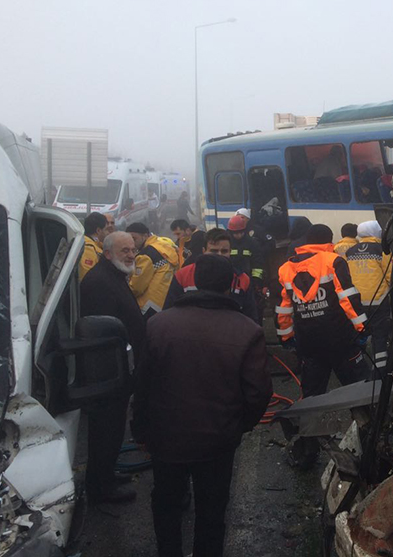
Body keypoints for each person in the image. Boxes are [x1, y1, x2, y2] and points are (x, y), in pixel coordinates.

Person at [132, 254, 272, 557]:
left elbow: (142, 385)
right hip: (217, 442)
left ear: (193, 281)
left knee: (166, 505)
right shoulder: (247, 330)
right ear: (230, 285)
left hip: (166, 439)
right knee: (211, 512)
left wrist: (141, 430)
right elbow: (258, 393)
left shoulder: (158, 325)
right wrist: (238, 426)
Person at [80, 231, 145, 504]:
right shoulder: (99, 283)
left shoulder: (114, 275)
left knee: (115, 427)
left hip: (119, 369)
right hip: (108, 372)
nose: (131, 255)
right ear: (107, 254)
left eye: (132, 250)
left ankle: (106, 473)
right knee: (105, 429)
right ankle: (100, 486)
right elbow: (103, 333)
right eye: (124, 251)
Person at [276, 224, 370, 398]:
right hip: (340, 340)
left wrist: (286, 337)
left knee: (311, 396)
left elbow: (284, 307)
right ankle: (371, 422)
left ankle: (305, 424)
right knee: (360, 391)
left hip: (308, 342)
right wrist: (362, 329)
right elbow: (348, 298)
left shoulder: (286, 269)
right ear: (329, 240)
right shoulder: (333, 261)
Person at [346, 221, 393, 373]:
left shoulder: (350, 251)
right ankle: (380, 372)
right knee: (380, 336)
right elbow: (392, 274)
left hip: (357, 303)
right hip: (379, 301)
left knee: (360, 334)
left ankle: (359, 368)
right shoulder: (382, 250)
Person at [163, 228, 258, 322]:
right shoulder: (183, 276)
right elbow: (170, 313)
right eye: (214, 251)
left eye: (224, 251)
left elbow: (251, 319)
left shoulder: (242, 280)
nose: (219, 255)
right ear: (204, 251)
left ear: (230, 252)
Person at [126, 223, 180, 318]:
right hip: (167, 301)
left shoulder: (146, 256)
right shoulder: (164, 247)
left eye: (134, 239)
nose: (132, 243)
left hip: (148, 308)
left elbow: (136, 287)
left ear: (145, 236)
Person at [227, 212, 264, 288]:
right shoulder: (226, 243)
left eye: (241, 232)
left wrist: (256, 280)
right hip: (229, 281)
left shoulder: (252, 243)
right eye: (236, 233)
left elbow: (257, 263)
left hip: (248, 281)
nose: (239, 235)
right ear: (230, 232)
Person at [79, 212, 115, 281]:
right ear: (98, 230)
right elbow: (87, 277)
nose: (107, 233)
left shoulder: (95, 245)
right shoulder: (88, 248)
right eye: (105, 230)